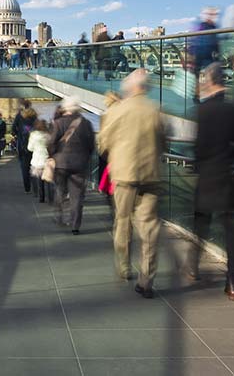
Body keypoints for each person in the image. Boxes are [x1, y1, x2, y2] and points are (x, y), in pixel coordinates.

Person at [99, 69, 166, 298]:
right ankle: (146, 279)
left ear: (129, 87)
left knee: (123, 221)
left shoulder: (118, 110)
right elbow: (164, 142)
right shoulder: (155, 110)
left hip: (124, 175)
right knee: (149, 228)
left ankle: (124, 266)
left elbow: (103, 142)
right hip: (151, 175)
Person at [189, 62, 234, 301]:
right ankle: (233, 283)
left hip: (207, 177)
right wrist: (230, 156)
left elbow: (199, 147)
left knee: (200, 224)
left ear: (209, 82)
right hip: (228, 176)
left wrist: (200, 163)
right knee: (231, 230)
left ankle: (192, 266)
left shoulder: (202, 111)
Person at [48, 96, 95, 235]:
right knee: (77, 196)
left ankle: (59, 213)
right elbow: (91, 145)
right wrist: (85, 156)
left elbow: (51, 143)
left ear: (65, 108)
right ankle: (75, 225)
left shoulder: (58, 123)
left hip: (61, 163)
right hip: (80, 164)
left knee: (60, 190)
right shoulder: (86, 123)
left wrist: (52, 155)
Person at [190, 7, 220, 102]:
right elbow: (195, 38)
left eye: (214, 14)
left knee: (202, 75)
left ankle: (199, 95)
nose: (212, 16)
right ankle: (200, 95)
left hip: (204, 53)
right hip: (201, 54)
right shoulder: (207, 26)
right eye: (211, 14)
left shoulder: (211, 26)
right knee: (204, 75)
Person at [12, 99, 37, 193]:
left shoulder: (19, 116)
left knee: (24, 166)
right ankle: (35, 185)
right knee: (34, 165)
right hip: (34, 144)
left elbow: (14, 128)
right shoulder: (34, 115)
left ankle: (27, 187)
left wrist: (17, 134)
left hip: (22, 144)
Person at [27, 119, 51, 203]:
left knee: (40, 180)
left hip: (37, 160)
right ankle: (50, 196)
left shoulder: (33, 135)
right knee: (48, 179)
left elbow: (29, 148)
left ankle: (41, 197)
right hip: (46, 159)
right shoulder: (48, 135)